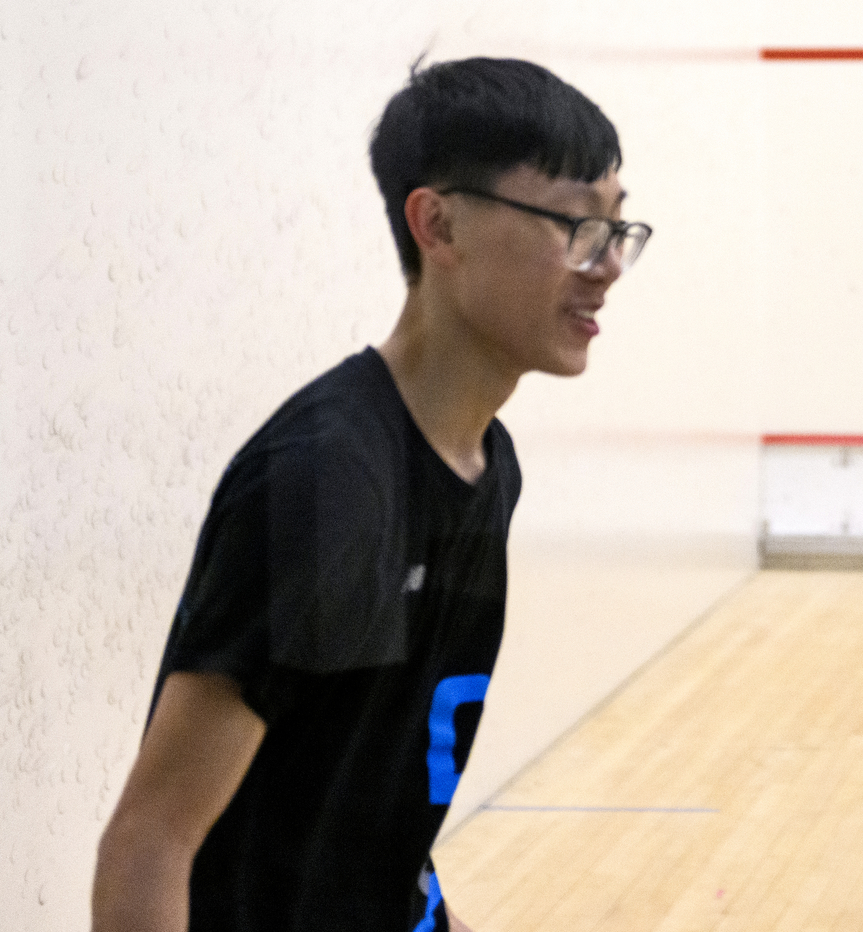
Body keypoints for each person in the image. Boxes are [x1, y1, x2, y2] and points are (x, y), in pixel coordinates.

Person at [91, 57, 651, 932]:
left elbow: (363, 818)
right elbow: (152, 842)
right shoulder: (328, 484)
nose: (608, 265)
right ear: (438, 224)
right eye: (575, 225)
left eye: (620, 229)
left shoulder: (483, 464)